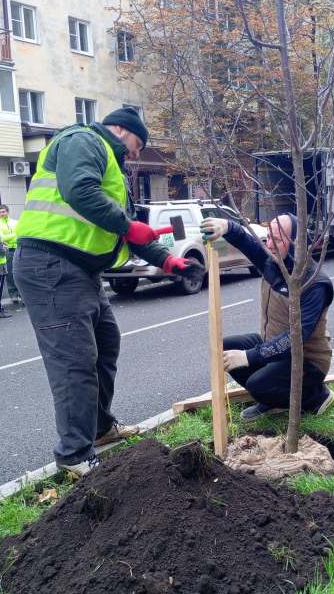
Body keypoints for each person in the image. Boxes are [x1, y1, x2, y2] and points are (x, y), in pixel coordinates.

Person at [13, 107, 203, 477]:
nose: (136, 153)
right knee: (75, 361)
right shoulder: (83, 140)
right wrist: (129, 227)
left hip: (81, 270)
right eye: (136, 144)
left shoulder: (112, 170)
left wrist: (169, 262)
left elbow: (128, 231)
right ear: (119, 129)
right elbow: (79, 192)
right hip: (50, 264)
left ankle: (99, 429)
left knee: (105, 346)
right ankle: (74, 454)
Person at [200, 213, 334, 422]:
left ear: (295, 243)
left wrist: (249, 357)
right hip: (274, 348)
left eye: (278, 240)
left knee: (258, 385)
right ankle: (275, 399)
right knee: (223, 348)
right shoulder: (272, 262)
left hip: (307, 361)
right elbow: (245, 241)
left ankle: (315, 397)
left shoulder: (312, 284)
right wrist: (226, 226)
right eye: (269, 237)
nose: (270, 245)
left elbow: (296, 338)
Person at [0, 204, 20, 303]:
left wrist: (8, 237)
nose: (1, 214)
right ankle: (13, 294)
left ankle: (22, 294)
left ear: (8, 212)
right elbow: (1, 237)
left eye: (3, 212)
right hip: (8, 250)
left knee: (19, 272)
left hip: (17, 248)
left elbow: (20, 233)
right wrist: (14, 236)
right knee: (9, 273)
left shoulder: (15, 222)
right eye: (0, 212)